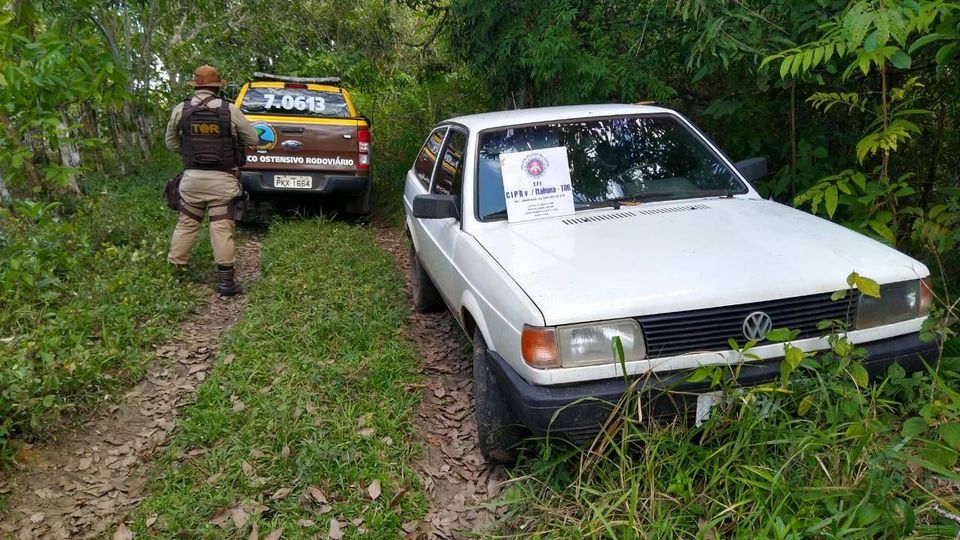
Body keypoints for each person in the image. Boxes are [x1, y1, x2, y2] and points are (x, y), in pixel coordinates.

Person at [165, 65, 259, 296]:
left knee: (186, 224)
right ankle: (226, 283)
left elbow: (171, 143)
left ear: (196, 86)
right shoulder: (230, 110)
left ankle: (175, 274)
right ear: (217, 87)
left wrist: (190, 152)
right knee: (220, 227)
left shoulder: (181, 109)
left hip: (192, 179)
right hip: (223, 180)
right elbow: (254, 139)